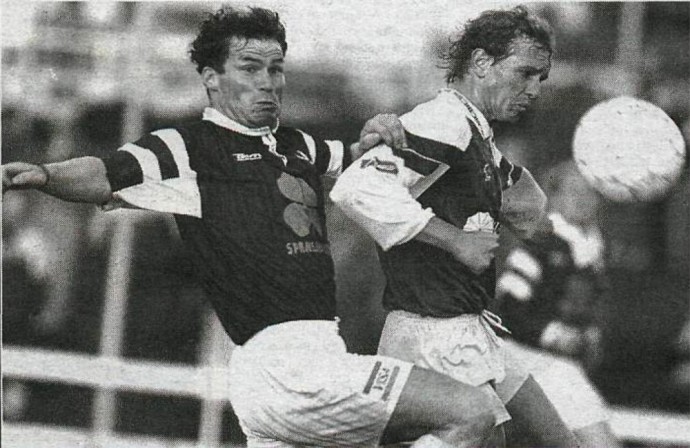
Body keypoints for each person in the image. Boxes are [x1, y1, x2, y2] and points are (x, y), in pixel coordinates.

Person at [3, 6, 513, 448]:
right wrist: (45, 175)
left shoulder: (295, 144)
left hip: (303, 366)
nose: (268, 81)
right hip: (289, 367)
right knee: (473, 412)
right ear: (212, 78)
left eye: (276, 68)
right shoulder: (191, 148)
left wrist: (378, 131)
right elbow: (104, 172)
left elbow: (355, 158)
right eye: (250, 68)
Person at [331, 6, 581, 447]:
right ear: (481, 62)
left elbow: (530, 213)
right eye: (524, 73)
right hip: (433, 334)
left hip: (470, 328)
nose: (533, 89)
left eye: (541, 78)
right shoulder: (444, 121)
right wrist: (454, 240)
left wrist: (601, 174)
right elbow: (357, 187)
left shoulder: (475, 133)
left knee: (560, 441)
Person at [496, 161, 622, 447]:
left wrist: (590, 335)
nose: (581, 199)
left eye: (589, 192)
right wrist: (553, 334)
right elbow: (508, 310)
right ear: (553, 197)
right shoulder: (539, 246)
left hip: (564, 365)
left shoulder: (594, 249)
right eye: (572, 191)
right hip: (528, 359)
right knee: (600, 442)